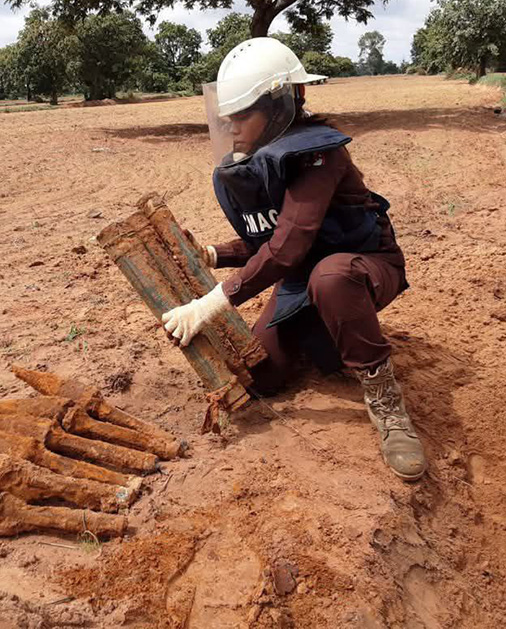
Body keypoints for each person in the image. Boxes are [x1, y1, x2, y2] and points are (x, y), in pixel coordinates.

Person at [161, 37, 426, 481]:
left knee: (332, 277)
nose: (232, 126)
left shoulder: (319, 155)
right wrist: (213, 253)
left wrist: (211, 303)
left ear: (283, 102)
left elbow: (289, 246)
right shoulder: (265, 160)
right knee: (263, 375)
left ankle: (385, 400)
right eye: (228, 115)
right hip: (302, 277)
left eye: (244, 114)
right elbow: (273, 235)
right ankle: (326, 334)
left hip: (362, 265)